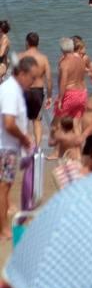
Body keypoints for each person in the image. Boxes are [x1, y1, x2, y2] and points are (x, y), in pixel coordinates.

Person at [0, 57, 36, 243]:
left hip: (7, 146)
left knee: (4, 187)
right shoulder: (10, 91)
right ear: (21, 73)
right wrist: (23, 138)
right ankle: (3, 229)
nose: (33, 82)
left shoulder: (12, 89)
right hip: (5, 147)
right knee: (3, 188)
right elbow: (8, 123)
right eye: (31, 77)